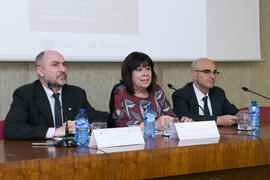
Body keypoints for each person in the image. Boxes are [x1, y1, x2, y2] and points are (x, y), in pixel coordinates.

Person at [4, 50, 108, 140]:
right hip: (39, 155)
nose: (63, 69)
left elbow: (100, 118)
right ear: (40, 71)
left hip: (72, 153)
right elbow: (11, 129)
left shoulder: (76, 93)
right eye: (55, 65)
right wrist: (55, 132)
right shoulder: (25, 94)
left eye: (64, 64)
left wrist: (85, 127)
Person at [111, 51, 191, 130]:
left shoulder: (156, 90)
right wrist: (154, 125)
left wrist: (180, 124)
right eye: (139, 70)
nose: (145, 73)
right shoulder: (120, 91)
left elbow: (170, 115)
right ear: (129, 73)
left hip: (159, 140)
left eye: (148, 69)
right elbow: (120, 124)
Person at [172, 58, 239, 126]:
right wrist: (217, 120)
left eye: (214, 72)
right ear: (194, 75)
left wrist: (245, 115)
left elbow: (234, 113)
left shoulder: (218, 92)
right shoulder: (181, 95)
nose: (213, 76)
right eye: (207, 72)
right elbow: (183, 118)